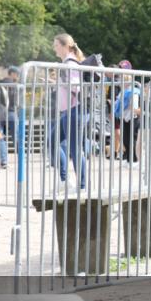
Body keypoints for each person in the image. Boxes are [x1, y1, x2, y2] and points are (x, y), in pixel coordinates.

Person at [52, 34, 89, 191]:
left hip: (75, 109)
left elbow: (75, 86)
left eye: (56, 45)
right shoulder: (68, 63)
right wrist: (56, 82)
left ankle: (81, 185)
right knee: (52, 141)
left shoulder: (69, 63)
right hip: (70, 110)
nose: (54, 48)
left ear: (65, 46)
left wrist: (61, 82)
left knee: (75, 148)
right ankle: (65, 180)